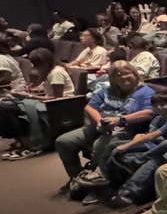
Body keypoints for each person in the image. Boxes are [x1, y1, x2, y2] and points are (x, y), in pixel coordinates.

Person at [55, 62, 155, 192]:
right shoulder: (107, 90)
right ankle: (77, 179)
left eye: (127, 73)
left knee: (100, 144)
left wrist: (119, 120)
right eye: (118, 75)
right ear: (112, 78)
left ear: (135, 74)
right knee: (64, 141)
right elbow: (89, 107)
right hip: (100, 126)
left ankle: (98, 182)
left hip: (125, 129)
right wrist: (98, 122)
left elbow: (149, 112)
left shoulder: (145, 91)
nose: (124, 77)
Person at [0, 48, 73, 159]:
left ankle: (30, 144)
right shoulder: (50, 71)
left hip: (59, 105)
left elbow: (57, 97)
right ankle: (22, 141)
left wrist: (30, 96)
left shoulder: (56, 73)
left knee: (7, 109)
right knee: (6, 107)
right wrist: (26, 90)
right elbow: (48, 91)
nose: (34, 67)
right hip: (48, 102)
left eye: (36, 64)